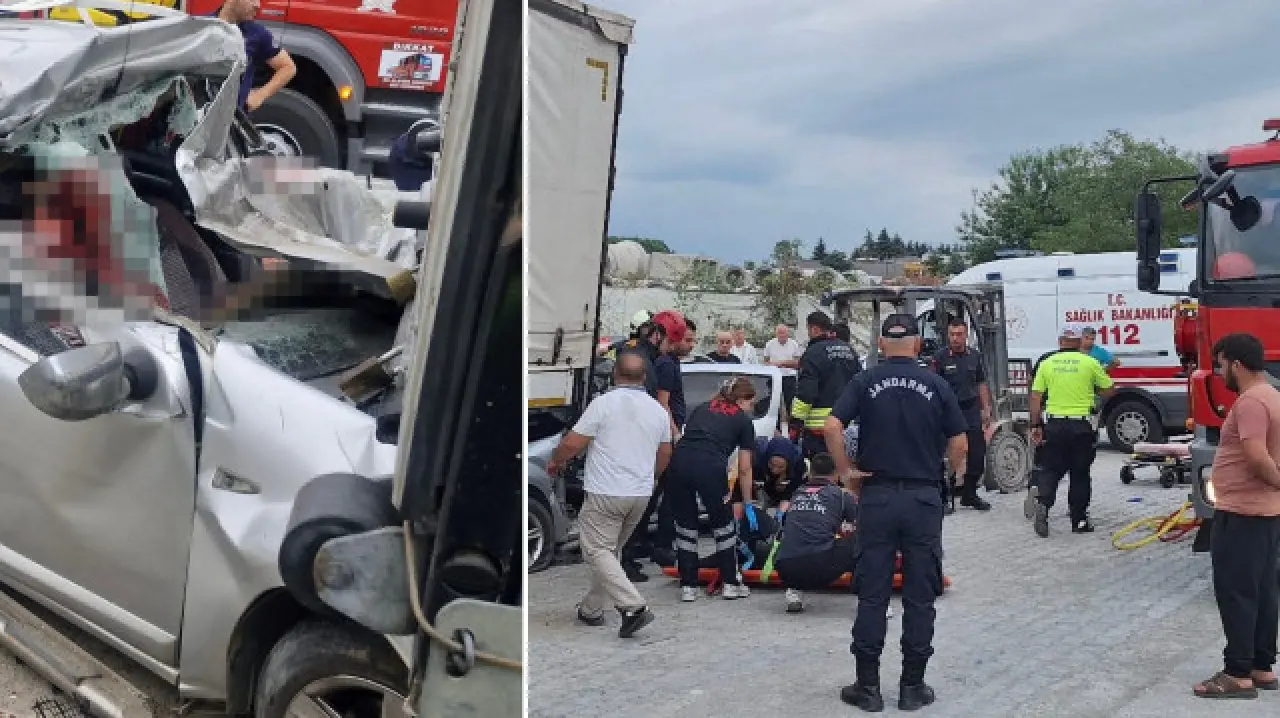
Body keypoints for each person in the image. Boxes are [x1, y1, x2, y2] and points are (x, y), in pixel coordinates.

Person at [823, 313, 968, 713]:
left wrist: (846, 472)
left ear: (882, 345)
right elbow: (960, 441)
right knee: (920, 595)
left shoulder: (865, 381)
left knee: (873, 594)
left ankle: (868, 688)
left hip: (878, 497)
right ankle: (912, 687)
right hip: (923, 499)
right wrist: (949, 478)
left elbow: (832, 427)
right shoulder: (936, 384)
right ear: (918, 345)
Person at [547, 353, 672, 638]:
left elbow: (572, 444)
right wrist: (651, 478)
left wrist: (557, 460)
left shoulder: (603, 404)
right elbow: (665, 453)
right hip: (640, 494)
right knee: (609, 553)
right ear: (644, 378)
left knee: (596, 550)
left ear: (615, 374)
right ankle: (591, 609)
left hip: (607, 491)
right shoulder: (658, 411)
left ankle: (633, 606)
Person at [1192, 333, 1280, 699]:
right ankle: (1261, 666)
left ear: (1236, 364)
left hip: (1243, 513)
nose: (1219, 372)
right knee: (1263, 591)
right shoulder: (1272, 395)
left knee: (1237, 592)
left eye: (1221, 365)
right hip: (1264, 512)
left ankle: (1237, 673)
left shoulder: (1251, 402)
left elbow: (1257, 456)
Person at [669, 377, 759, 602]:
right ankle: (730, 583)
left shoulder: (702, 408)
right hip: (710, 467)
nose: (751, 408)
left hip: (679, 464)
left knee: (686, 527)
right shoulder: (742, 420)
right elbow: (745, 468)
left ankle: (688, 586)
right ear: (741, 400)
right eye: (751, 403)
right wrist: (748, 501)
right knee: (723, 526)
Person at [1027, 327, 1115, 537]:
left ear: (1060, 341)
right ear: (1079, 342)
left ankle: (1043, 505)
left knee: (1051, 469)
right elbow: (1110, 390)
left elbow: (1035, 397)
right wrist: (1094, 394)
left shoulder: (1047, 363)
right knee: (1080, 473)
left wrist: (1036, 425)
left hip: (1054, 425)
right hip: (1081, 426)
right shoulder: (1090, 363)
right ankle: (1079, 520)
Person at [622, 310, 689, 573]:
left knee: (646, 496)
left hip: (640, 438)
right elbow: (658, 405)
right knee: (644, 496)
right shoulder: (648, 362)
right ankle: (627, 557)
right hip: (643, 440)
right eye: (670, 341)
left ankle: (632, 551)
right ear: (657, 335)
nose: (670, 347)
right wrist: (672, 436)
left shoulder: (640, 356)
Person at [773, 452, 859, 614]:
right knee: (866, 539)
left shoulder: (797, 493)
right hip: (819, 567)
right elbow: (859, 525)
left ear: (810, 473)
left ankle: (794, 593)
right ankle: (869, 597)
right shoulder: (841, 495)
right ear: (836, 474)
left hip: (785, 568)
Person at [930, 318, 993, 513]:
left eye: (959, 334)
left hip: (970, 409)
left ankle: (969, 494)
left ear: (966, 336)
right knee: (945, 455)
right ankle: (943, 497)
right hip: (948, 411)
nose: (955, 338)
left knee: (977, 454)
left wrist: (986, 408)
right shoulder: (940, 358)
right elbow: (932, 386)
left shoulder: (974, 356)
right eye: (952, 334)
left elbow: (981, 383)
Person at [792, 311, 862, 458]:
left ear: (815, 329)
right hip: (846, 426)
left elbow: (806, 393)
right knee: (842, 465)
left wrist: (796, 423)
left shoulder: (813, 353)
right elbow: (859, 386)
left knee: (820, 467)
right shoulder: (850, 351)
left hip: (819, 430)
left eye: (808, 329)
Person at [214, 0, 297, 113]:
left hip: (232, 117)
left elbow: (288, 67)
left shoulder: (258, 34)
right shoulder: (201, 25)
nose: (258, 5)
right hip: (201, 115)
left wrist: (260, 95)